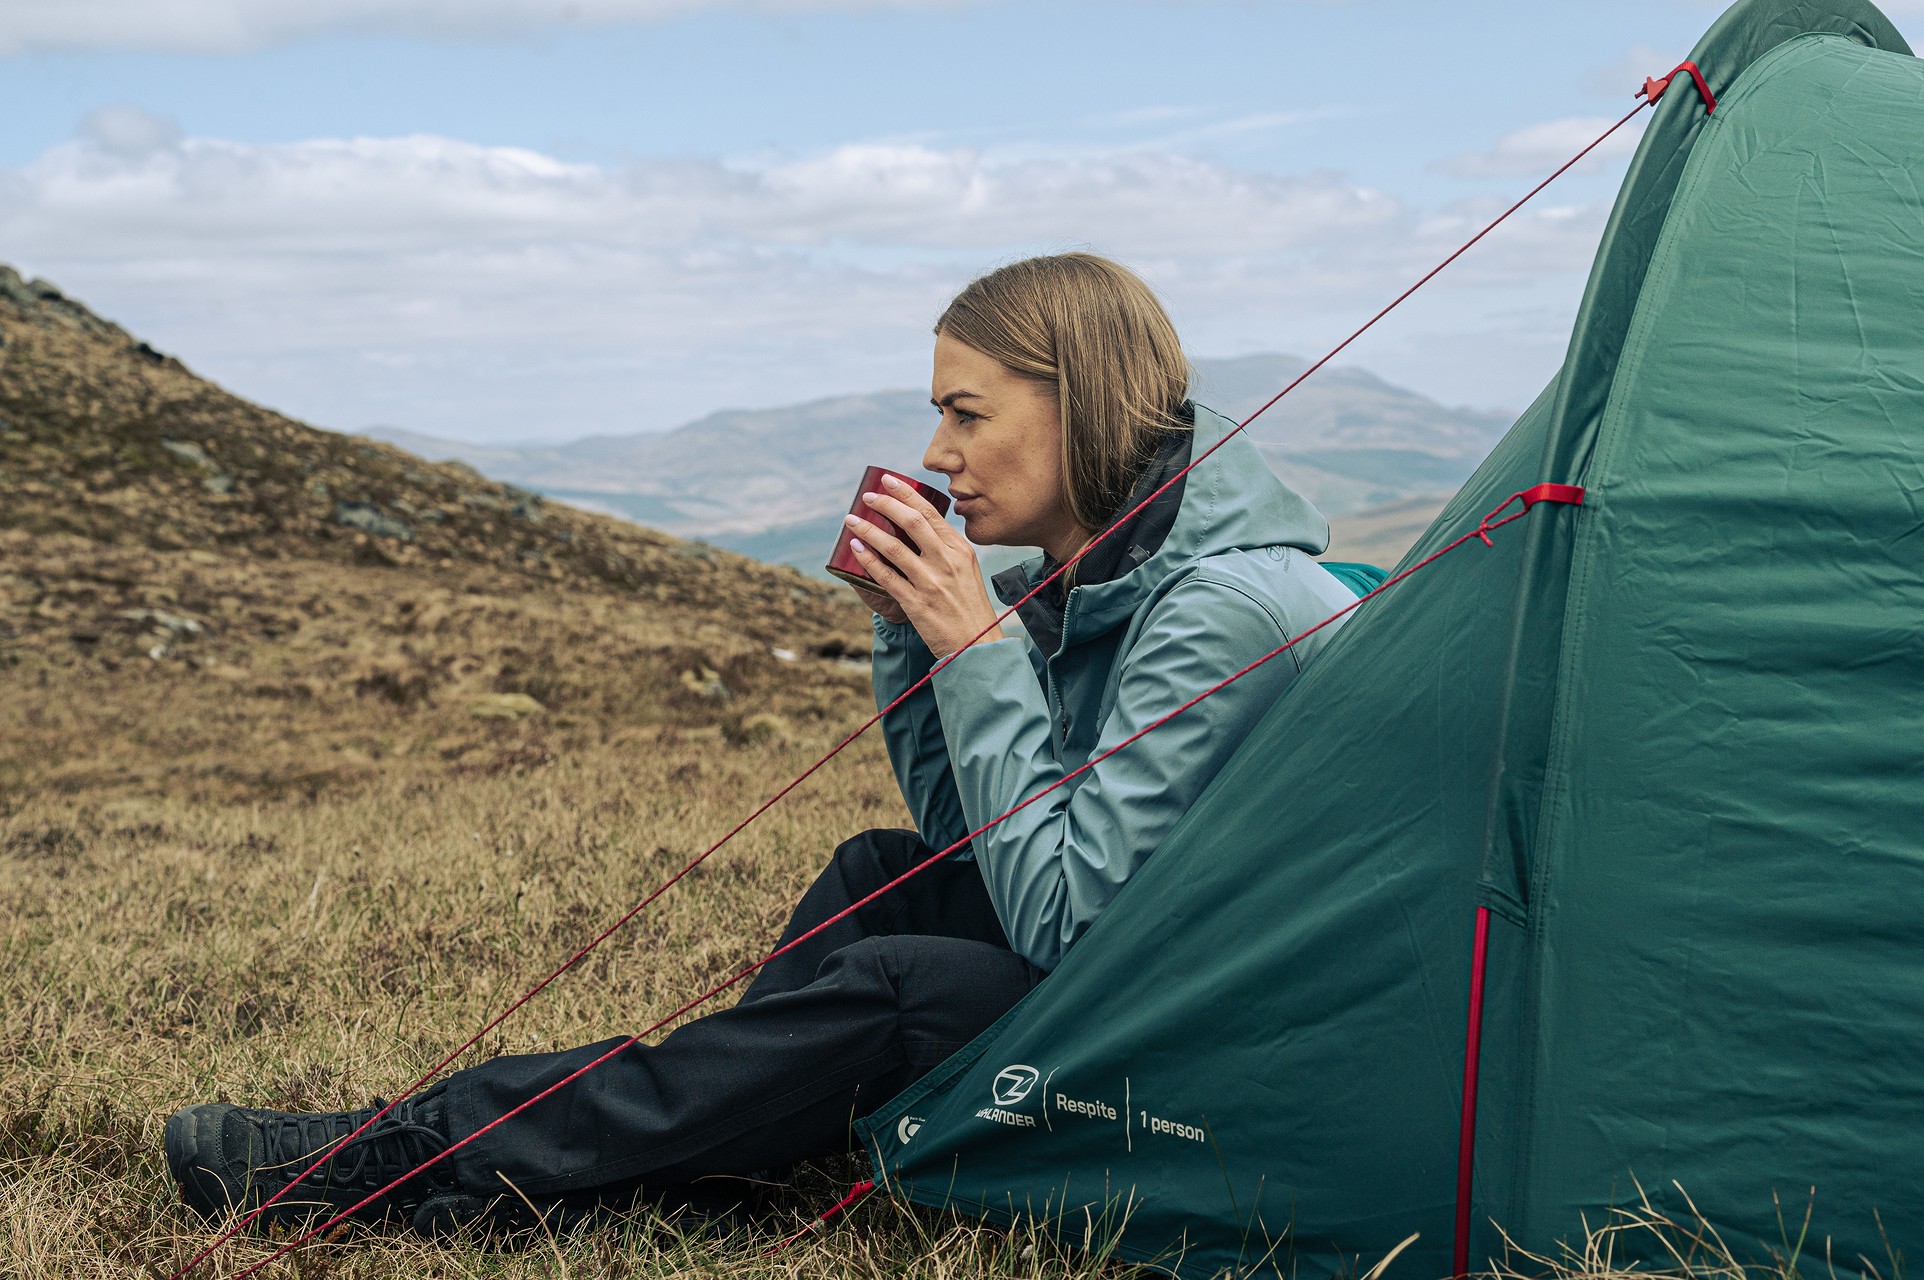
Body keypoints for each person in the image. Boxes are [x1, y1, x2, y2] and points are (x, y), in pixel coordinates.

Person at [163, 253, 1373, 1237]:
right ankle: (703, 1160)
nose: (938, 452)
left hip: (1228, 1057)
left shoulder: (1219, 608)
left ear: (1083, 403)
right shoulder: (1104, 585)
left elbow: (1064, 922)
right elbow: (974, 846)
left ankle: (414, 1152)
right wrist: (912, 636)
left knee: (904, 986)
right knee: (881, 870)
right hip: (1154, 973)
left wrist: (976, 647)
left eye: (966, 411)